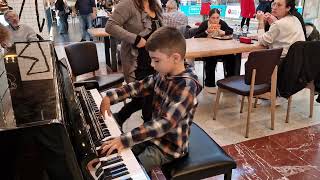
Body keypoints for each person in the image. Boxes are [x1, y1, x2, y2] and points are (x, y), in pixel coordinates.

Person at [99, 26, 202, 173]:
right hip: (153, 137)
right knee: (117, 152)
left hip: (169, 148)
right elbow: (139, 86)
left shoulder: (187, 86)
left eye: (156, 60)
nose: (152, 65)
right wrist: (111, 96)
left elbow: (165, 123)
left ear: (175, 58)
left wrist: (125, 139)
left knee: (135, 169)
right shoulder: (164, 73)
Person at [105, 0, 162, 127]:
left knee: (147, 98)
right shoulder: (127, 4)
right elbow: (110, 26)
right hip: (136, 62)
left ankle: (119, 118)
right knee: (144, 97)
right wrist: (135, 39)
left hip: (156, 61)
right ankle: (148, 134)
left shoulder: (155, 5)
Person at [194, 8, 236, 94]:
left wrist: (223, 32)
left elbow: (231, 31)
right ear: (209, 18)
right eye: (213, 18)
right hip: (207, 49)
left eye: (217, 18)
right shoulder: (205, 24)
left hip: (220, 49)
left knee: (231, 56)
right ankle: (209, 84)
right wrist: (206, 32)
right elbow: (196, 36)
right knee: (211, 57)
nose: (215, 20)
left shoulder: (222, 23)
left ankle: (229, 82)